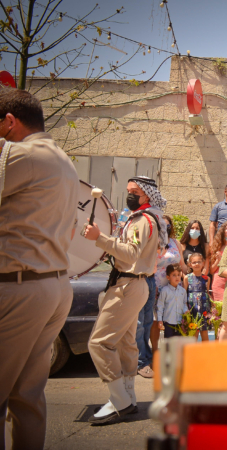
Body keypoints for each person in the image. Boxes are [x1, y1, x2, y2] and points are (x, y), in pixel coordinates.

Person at [0, 88, 79, 449]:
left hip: (19, 284)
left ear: (11, 122)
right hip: (53, 285)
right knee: (26, 397)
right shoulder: (64, 160)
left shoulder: (19, 153)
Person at [82, 176, 163, 425]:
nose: (130, 195)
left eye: (135, 191)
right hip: (132, 284)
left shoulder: (143, 221)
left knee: (99, 343)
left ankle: (120, 401)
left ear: (146, 195)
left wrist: (100, 238)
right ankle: (129, 394)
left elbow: (131, 253)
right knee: (127, 343)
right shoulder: (142, 218)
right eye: (128, 191)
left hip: (129, 285)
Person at [147, 215, 187, 367]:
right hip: (156, 285)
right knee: (156, 320)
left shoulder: (175, 242)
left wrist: (191, 272)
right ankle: (155, 353)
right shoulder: (153, 242)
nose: (165, 227)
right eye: (162, 225)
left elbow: (181, 264)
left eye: (168, 225)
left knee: (173, 319)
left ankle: (172, 354)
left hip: (175, 287)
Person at [183, 253, 211, 342]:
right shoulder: (187, 278)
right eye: (194, 262)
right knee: (194, 331)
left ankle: (206, 353)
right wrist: (185, 308)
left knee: (204, 331)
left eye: (199, 262)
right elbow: (184, 294)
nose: (197, 264)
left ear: (203, 263)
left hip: (204, 308)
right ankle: (193, 354)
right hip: (192, 308)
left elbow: (207, 292)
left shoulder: (207, 278)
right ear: (190, 264)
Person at [156, 264, 188, 339]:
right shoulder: (165, 290)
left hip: (180, 323)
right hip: (168, 322)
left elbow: (184, 304)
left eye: (178, 275)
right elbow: (160, 306)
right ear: (168, 277)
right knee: (169, 345)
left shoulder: (183, 290)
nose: (177, 277)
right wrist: (160, 320)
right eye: (174, 275)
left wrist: (186, 311)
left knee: (178, 344)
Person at [209, 220, 227, 302]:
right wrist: (218, 260)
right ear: (223, 231)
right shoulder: (217, 247)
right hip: (219, 284)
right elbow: (211, 270)